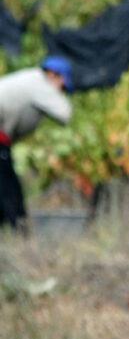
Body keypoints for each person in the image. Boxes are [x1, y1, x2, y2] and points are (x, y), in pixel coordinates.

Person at [0, 56, 73, 229]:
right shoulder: (40, 83)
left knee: (6, 185)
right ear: (54, 75)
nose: (61, 91)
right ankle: (21, 232)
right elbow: (65, 113)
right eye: (62, 87)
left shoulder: (29, 79)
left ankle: (15, 234)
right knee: (9, 190)